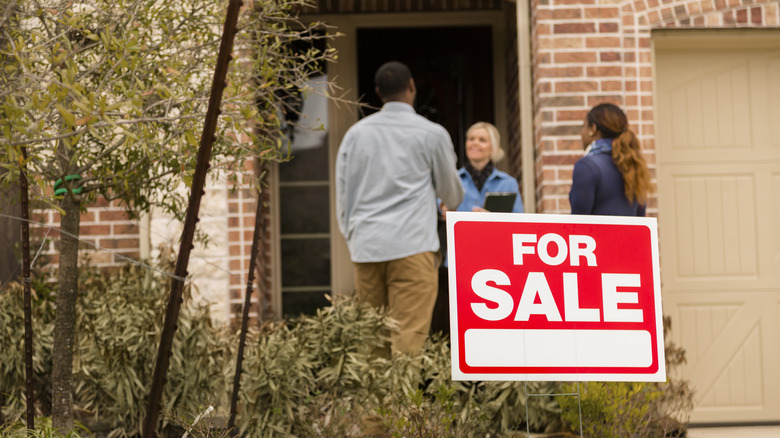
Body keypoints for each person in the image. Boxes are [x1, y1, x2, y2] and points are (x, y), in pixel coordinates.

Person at [335, 61, 464, 355]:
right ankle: (402, 403)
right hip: (412, 245)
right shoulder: (431, 133)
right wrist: (448, 201)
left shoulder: (356, 135)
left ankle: (375, 403)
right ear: (412, 87)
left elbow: (343, 194)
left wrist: (352, 236)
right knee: (408, 336)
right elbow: (452, 193)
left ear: (379, 92)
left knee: (372, 338)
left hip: (367, 247)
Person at [569, 103, 651, 216]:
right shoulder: (633, 164)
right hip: (628, 234)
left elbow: (578, 224)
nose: (581, 133)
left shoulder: (587, 166)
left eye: (584, 126)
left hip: (597, 234)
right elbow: (640, 219)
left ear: (593, 129)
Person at [444, 121, 524, 214]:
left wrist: (491, 220)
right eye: (471, 139)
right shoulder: (452, 180)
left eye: (482, 140)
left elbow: (518, 222)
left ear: (493, 148)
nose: (475, 143)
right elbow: (438, 209)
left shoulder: (508, 183)